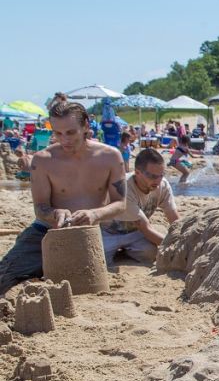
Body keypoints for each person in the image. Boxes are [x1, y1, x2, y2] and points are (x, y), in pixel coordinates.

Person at [0, 94, 126, 294]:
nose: (64, 140)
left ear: (86, 126)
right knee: (5, 276)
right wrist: (55, 213)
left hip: (89, 233)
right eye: (58, 133)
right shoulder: (43, 160)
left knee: (80, 284)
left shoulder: (110, 156)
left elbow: (120, 203)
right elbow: (40, 208)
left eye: (70, 132)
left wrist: (95, 214)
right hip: (46, 230)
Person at [101, 148, 179, 267]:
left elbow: (174, 219)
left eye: (161, 175)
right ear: (137, 173)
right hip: (109, 233)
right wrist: (176, 246)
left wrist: (184, 238)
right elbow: (145, 228)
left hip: (134, 233)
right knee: (99, 260)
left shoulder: (163, 185)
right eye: (152, 176)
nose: (157, 181)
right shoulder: (124, 188)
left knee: (150, 254)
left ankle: (125, 254)